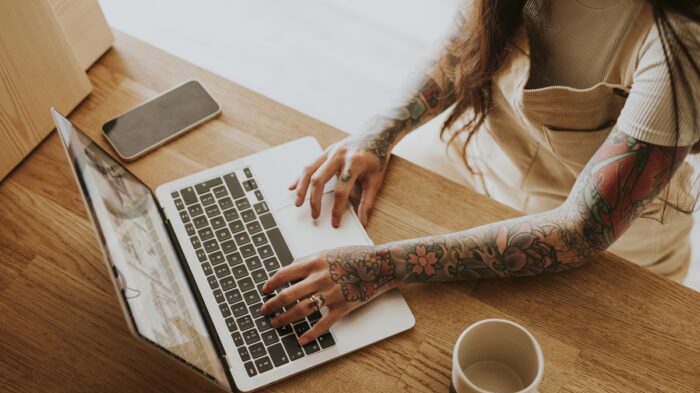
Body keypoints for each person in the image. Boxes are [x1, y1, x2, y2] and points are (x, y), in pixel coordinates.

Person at [260, 0, 700, 345]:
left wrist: (379, 267)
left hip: (613, 245)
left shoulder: (683, 43)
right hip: (476, 159)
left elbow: (581, 230)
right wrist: (376, 135)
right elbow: (464, 40)